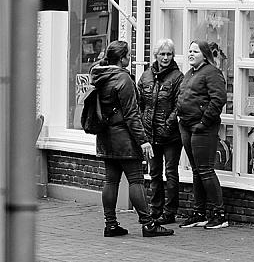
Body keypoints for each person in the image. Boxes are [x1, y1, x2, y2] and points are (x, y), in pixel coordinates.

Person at [90, 40, 174, 238]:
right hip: (124, 138)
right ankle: (148, 224)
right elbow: (131, 114)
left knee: (111, 181)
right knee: (136, 180)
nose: (130, 57)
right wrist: (143, 140)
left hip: (106, 136)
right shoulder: (123, 79)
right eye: (128, 55)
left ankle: (111, 224)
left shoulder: (100, 75)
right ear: (122, 58)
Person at [176, 40, 229, 229]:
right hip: (186, 125)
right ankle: (199, 213)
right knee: (196, 170)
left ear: (205, 55)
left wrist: (204, 122)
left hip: (203, 128)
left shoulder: (212, 73)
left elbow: (218, 99)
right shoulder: (190, 73)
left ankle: (219, 214)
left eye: (195, 51)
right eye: (189, 51)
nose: (191, 54)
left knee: (205, 170)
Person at [137, 38, 183, 225]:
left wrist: (167, 125)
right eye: (162, 54)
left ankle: (169, 212)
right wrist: (143, 123)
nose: (165, 58)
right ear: (155, 55)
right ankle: (155, 210)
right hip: (150, 134)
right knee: (154, 172)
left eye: (169, 54)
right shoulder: (146, 76)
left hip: (171, 136)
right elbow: (139, 103)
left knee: (170, 172)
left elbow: (179, 105)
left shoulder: (178, 77)